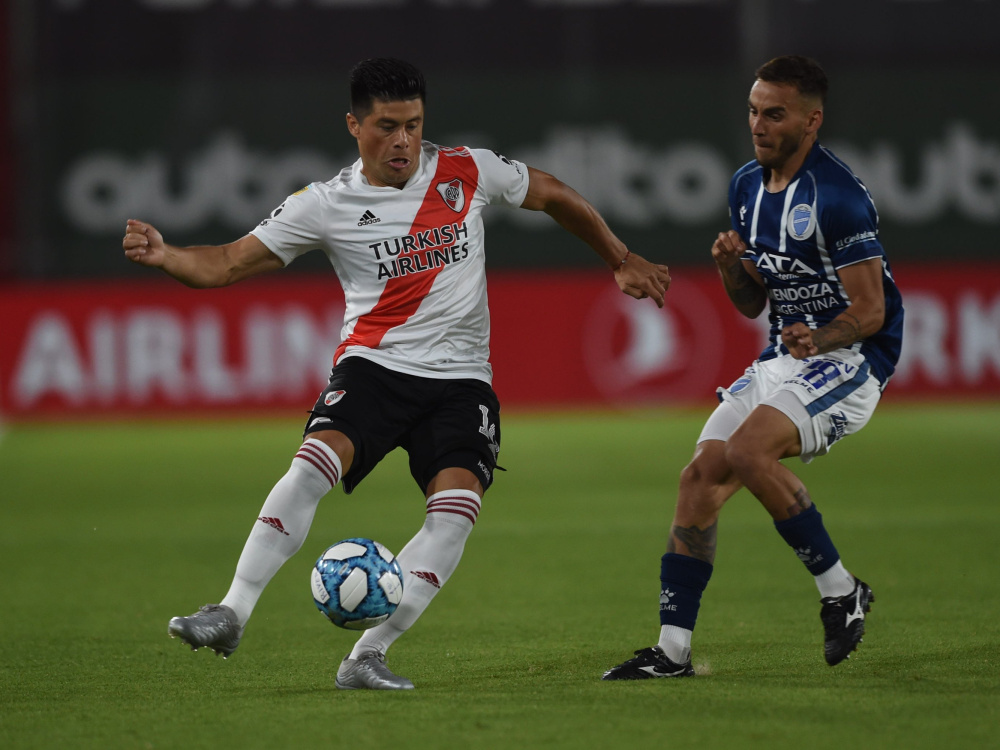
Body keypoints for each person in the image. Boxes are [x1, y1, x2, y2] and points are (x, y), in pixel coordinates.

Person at [123, 57, 670, 690]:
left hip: (464, 381)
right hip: (376, 367)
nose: (403, 140)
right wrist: (167, 256)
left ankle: (367, 656)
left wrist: (620, 257)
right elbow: (224, 263)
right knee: (311, 464)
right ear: (354, 125)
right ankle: (232, 610)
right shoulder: (325, 204)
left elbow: (551, 193)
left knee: (456, 511)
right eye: (387, 126)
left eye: (412, 124)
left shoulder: (467, 170)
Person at [603, 55, 904, 680]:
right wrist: (728, 269)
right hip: (783, 358)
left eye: (775, 113)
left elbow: (872, 310)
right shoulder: (745, 186)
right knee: (698, 479)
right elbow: (752, 303)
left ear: (811, 121)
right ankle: (673, 652)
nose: (759, 124)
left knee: (746, 453)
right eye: (753, 110)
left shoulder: (838, 197)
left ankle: (841, 591)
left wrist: (820, 338)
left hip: (849, 361)